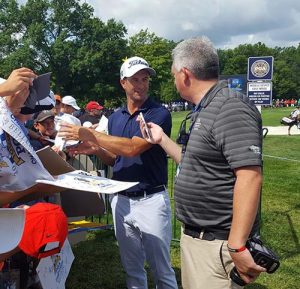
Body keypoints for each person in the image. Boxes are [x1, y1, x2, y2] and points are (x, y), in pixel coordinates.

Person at [139, 37, 265, 289]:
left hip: (216, 244)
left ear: (185, 74)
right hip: (200, 240)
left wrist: (237, 244)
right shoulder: (207, 108)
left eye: (174, 74)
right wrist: (161, 139)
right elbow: (193, 163)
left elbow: (250, 175)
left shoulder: (230, 107)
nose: (174, 80)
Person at [58, 56, 178, 289]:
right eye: (135, 79)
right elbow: (115, 159)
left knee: (161, 269)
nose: (142, 84)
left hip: (150, 200)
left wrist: (89, 134)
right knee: (132, 269)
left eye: (145, 79)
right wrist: (95, 149)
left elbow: (133, 148)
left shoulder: (158, 114)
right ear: (123, 83)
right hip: (121, 200)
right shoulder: (115, 117)